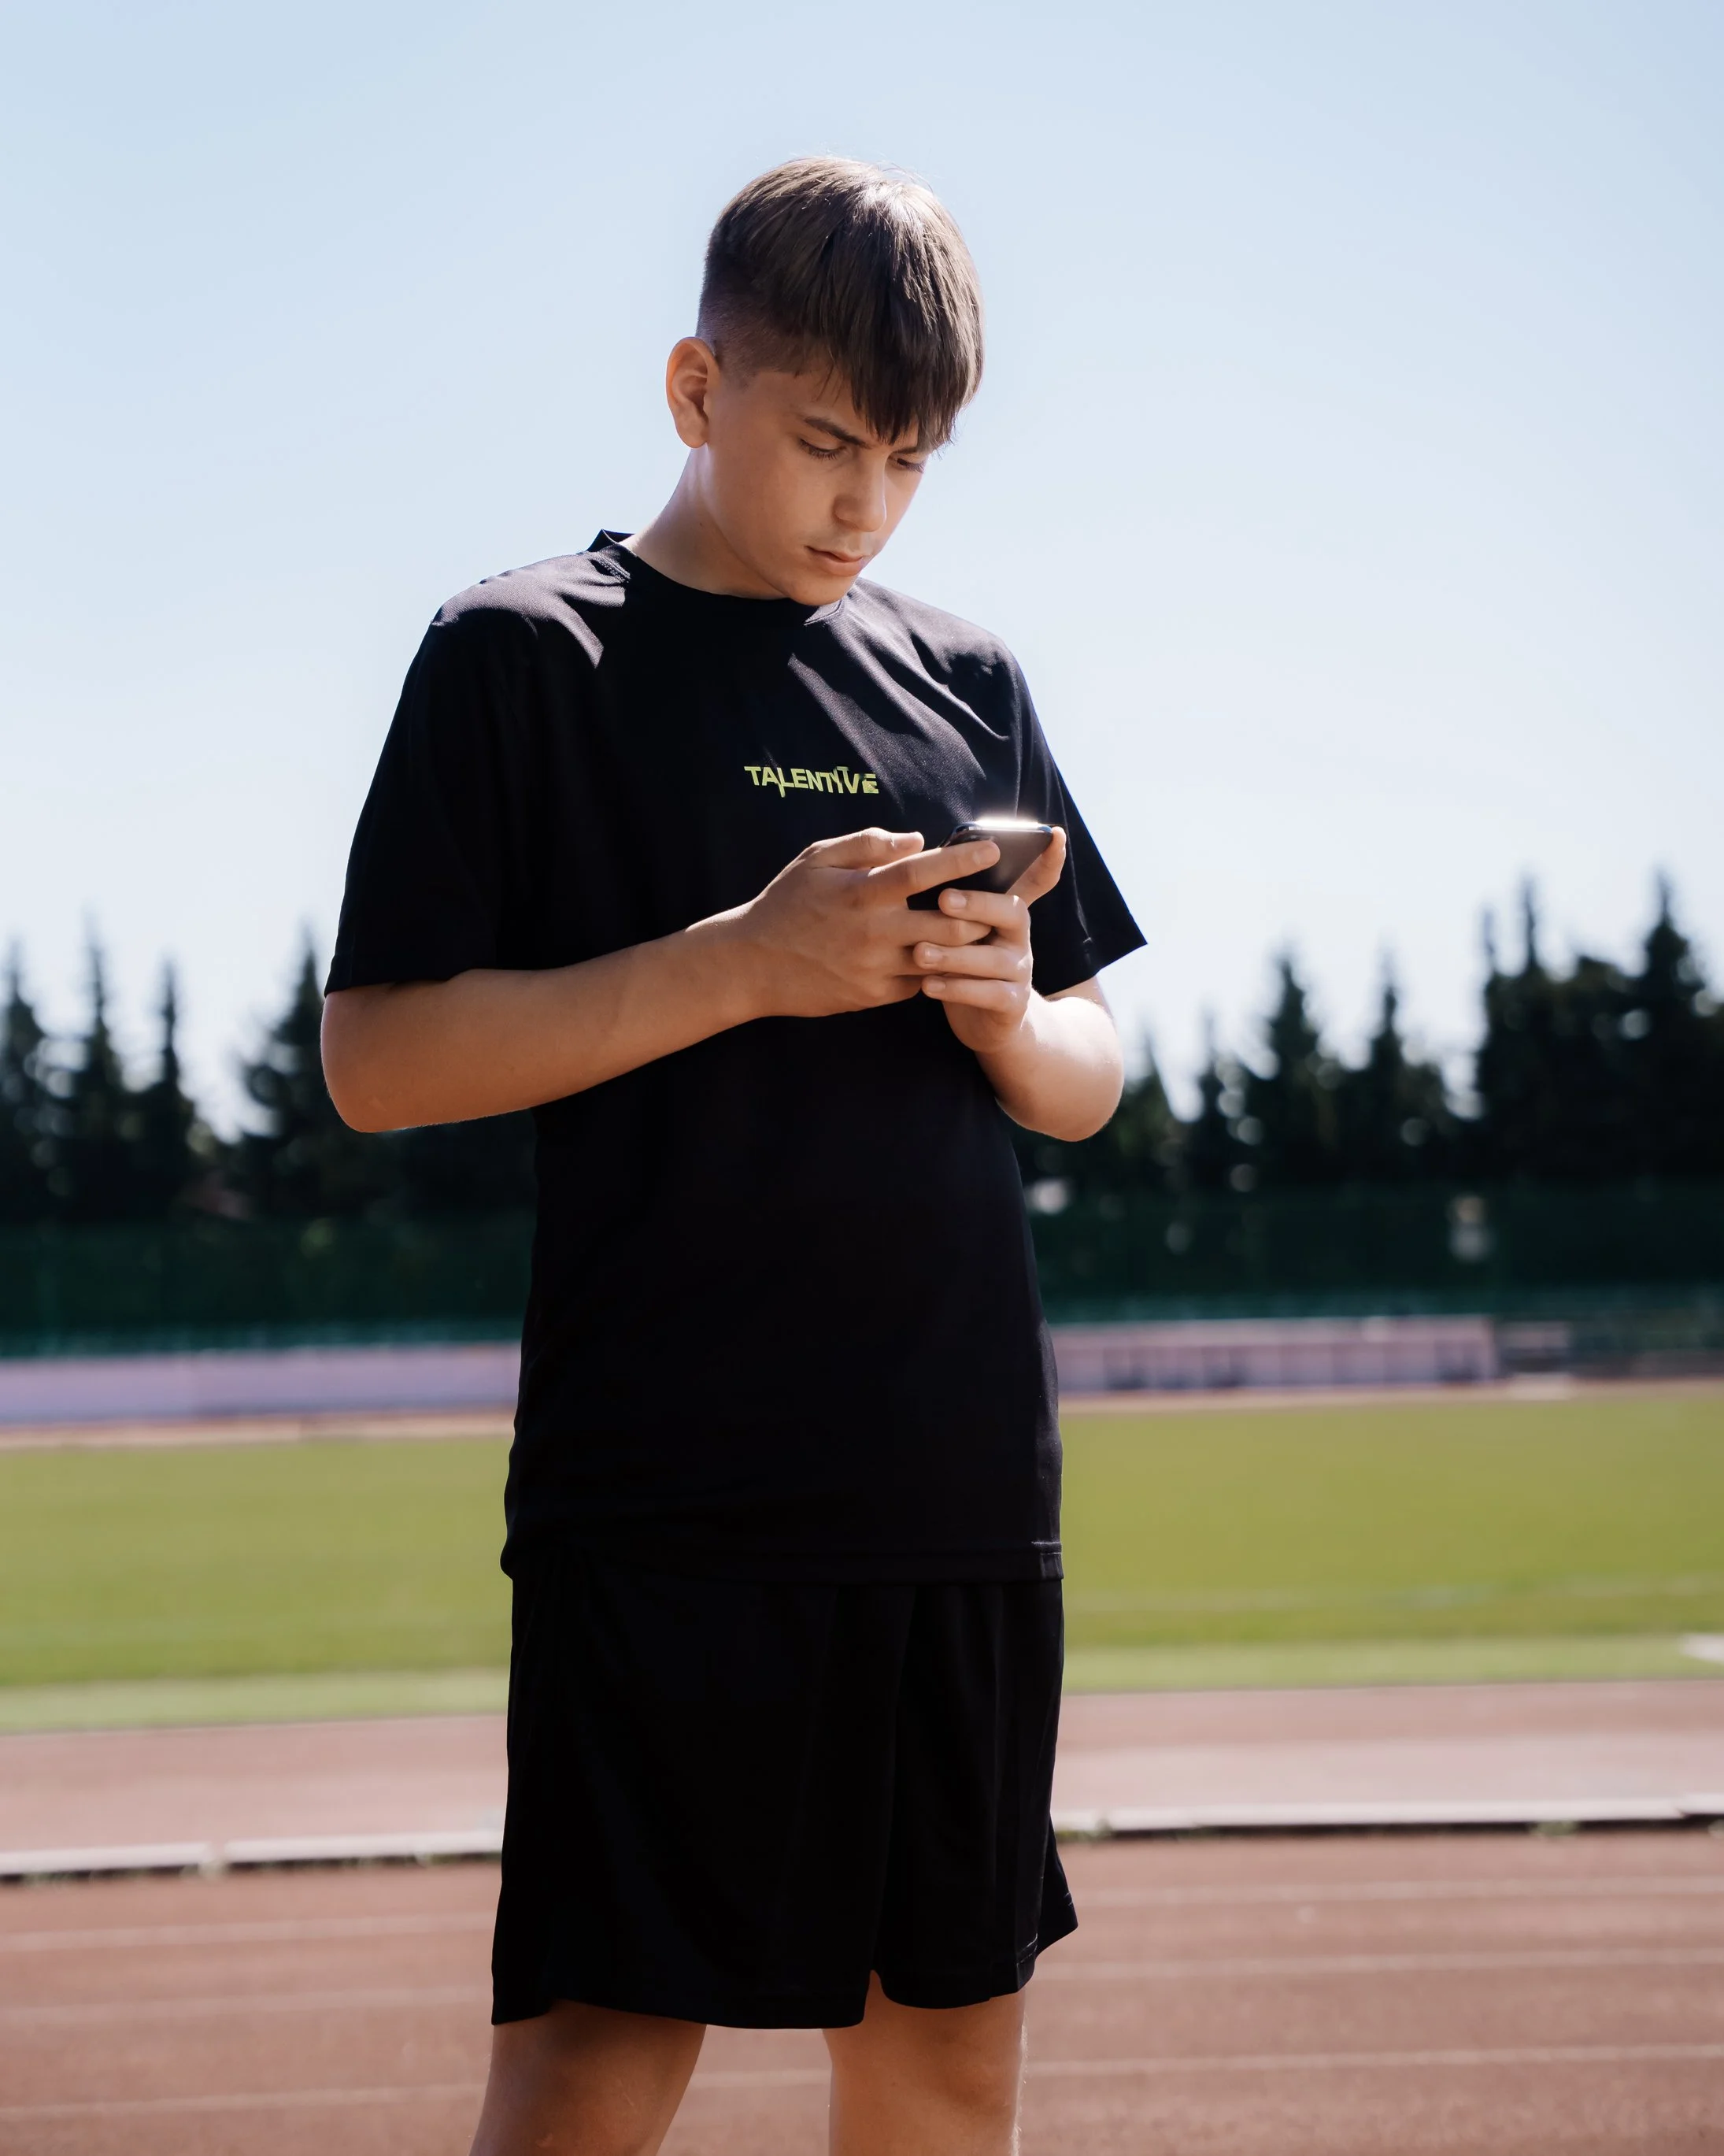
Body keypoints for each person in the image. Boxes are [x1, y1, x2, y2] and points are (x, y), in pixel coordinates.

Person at [321, 155, 1144, 2156]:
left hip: (949, 1476)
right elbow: (377, 1059)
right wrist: (739, 966)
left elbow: (1095, 1065)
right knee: (604, 2047)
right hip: (669, 1484)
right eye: (826, 444)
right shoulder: (524, 656)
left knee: (945, 2050)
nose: (863, 507)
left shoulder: (968, 682)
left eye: (912, 462)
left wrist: (1007, 1015)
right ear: (698, 391)